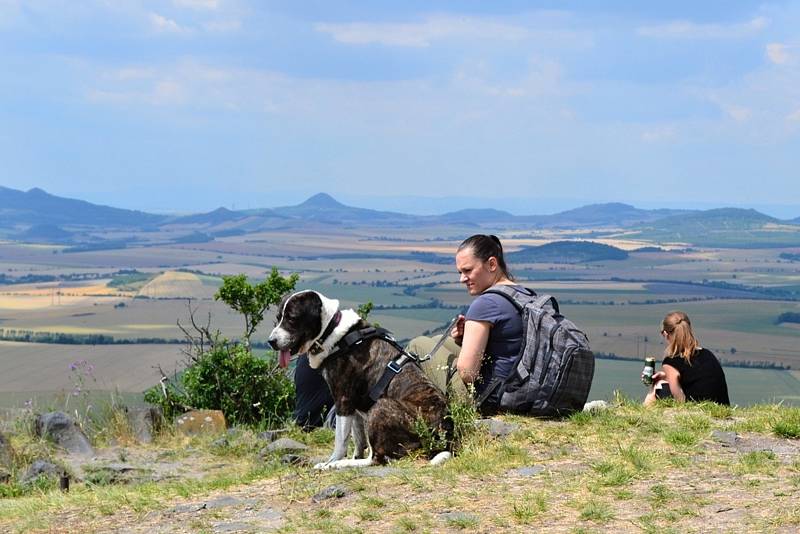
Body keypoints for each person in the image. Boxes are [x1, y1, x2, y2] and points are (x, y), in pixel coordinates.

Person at [409, 234, 528, 413]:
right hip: (521, 387)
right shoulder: (523, 294)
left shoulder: (485, 304)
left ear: (492, 264)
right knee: (440, 340)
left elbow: (468, 374)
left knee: (419, 345)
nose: (462, 279)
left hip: (493, 398)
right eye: (460, 272)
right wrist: (464, 341)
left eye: (468, 270)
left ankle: (423, 416)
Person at [644, 311, 730, 406]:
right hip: (721, 407)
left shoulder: (671, 362)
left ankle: (642, 415)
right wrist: (666, 376)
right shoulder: (707, 354)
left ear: (666, 334)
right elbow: (695, 379)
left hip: (698, 412)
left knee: (658, 385)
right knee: (662, 381)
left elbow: (680, 401)